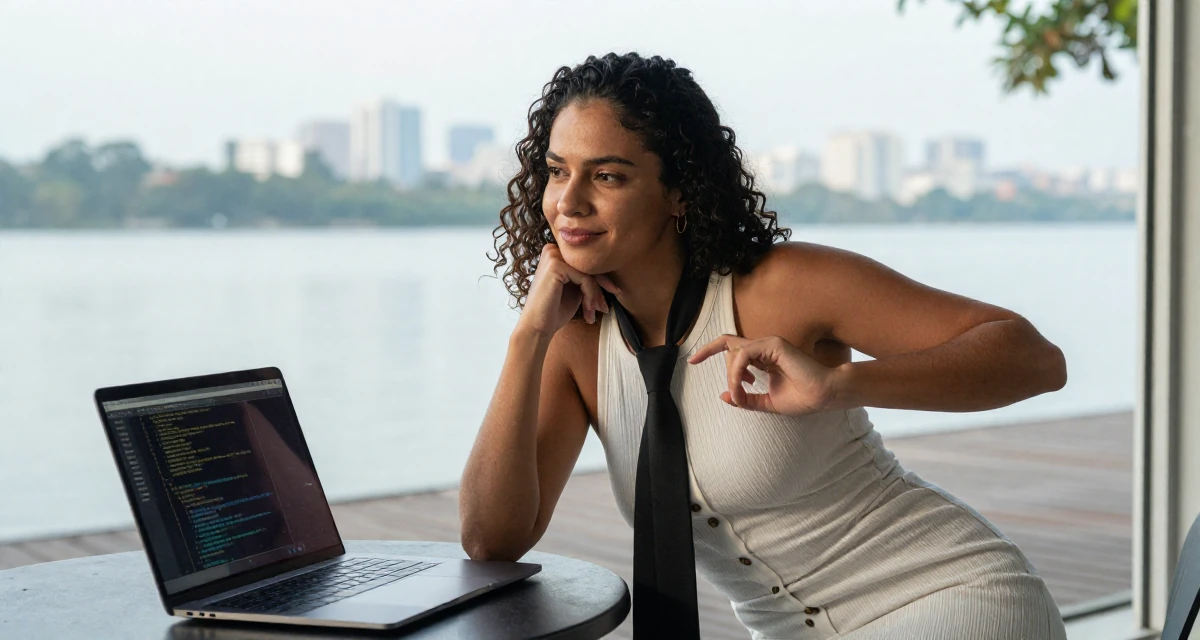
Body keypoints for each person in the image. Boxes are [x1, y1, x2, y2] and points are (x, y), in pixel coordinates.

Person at [458, 51, 1069, 640]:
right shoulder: (575, 342)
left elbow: (1034, 359)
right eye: (558, 170)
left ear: (680, 192)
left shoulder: (784, 285)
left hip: (950, 598)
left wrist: (839, 387)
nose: (568, 201)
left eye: (608, 175)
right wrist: (527, 338)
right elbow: (492, 540)